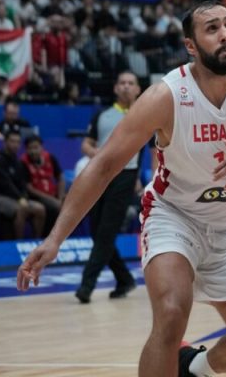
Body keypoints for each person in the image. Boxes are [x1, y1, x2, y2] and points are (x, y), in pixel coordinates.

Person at [17, 1, 226, 377]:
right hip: (174, 217)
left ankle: (194, 368)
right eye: (212, 28)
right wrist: (55, 238)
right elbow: (103, 165)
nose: (225, 35)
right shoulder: (166, 95)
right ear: (191, 45)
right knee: (170, 315)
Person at [74, 71, 142, 304]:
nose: (125, 87)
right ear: (115, 88)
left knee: (106, 232)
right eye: (121, 83)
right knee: (97, 232)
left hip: (126, 176)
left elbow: (149, 150)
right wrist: (98, 154)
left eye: (130, 83)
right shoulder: (102, 115)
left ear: (137, 90)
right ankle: (124, 279)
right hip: (100, 175)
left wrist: (143, 180)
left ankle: (86, 285)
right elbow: (86, 144)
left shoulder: (144, 115)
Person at [0, 130, 46, 239]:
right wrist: (20, 199)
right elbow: (5, 184)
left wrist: (24, 197)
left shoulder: (18, 162)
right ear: (5, 142)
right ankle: (19, 243)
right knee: (22, 208)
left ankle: (37, 241)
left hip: (13, 198)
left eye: (18, 142)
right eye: (12, 141)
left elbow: (22, 184)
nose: (15, 145)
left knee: (40, 209)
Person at [20, 134, 65, 234]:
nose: (33, 151)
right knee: (54, 207)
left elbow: (60, 178)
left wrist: (60, 197)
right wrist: (51, 199)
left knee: (68, 203)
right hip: (35, 197)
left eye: (36, 147)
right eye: (30, 148)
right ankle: (44, 237)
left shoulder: (51, 157)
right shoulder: (23, 163)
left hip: (53, 195)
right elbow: (29, 188)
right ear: (26, 149)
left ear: (41, 147)